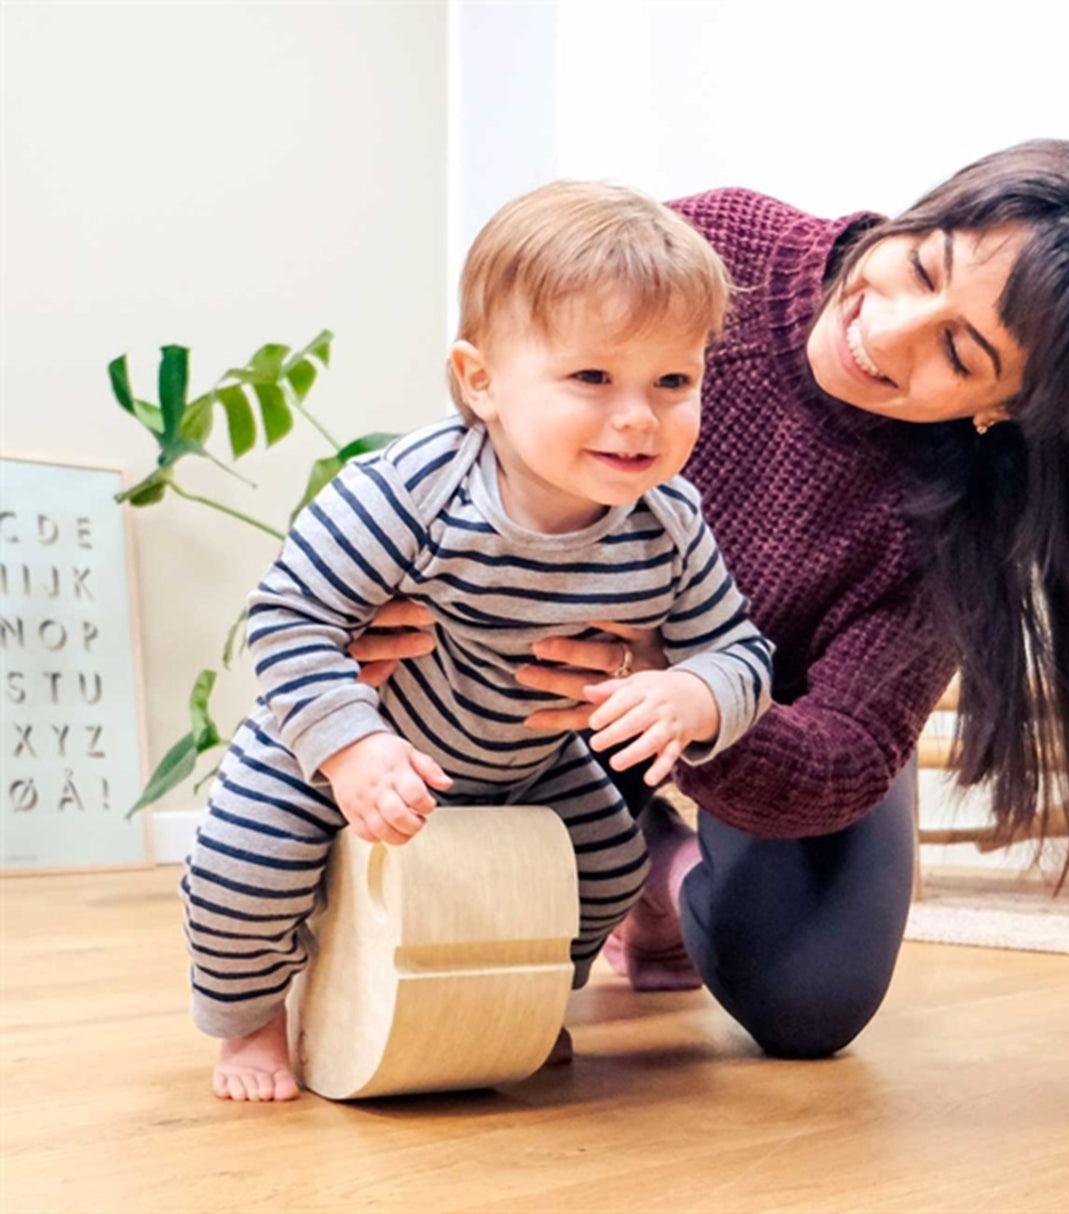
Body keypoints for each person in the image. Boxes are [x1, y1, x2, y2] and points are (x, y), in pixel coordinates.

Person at [355, 139, 1069, 1056]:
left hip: (761, 715)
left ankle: (666, 876)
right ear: (919, 214)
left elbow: (843, 754)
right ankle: (632, 856)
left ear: (1003, 408)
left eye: (957, 354)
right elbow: (504, 405)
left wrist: (682, 692)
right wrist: (396, 612)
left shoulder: (952, 523)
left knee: (813, 1000)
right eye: (920, 265)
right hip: (539, 679)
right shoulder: (717, 248)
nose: (885, 334)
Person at [182, 181, 775, 1101]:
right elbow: (291, 617)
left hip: (525, 765)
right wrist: (351, 748)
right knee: (242, 866)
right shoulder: (411, 494)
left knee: (611, 862)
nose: (638, 417)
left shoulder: (669, 523)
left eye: (673, 382)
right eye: (592, 378)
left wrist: (694, 694)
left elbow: (738, 651)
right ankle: (251, 1022)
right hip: (341, 750)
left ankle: (528, 1004)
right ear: (481, 381)